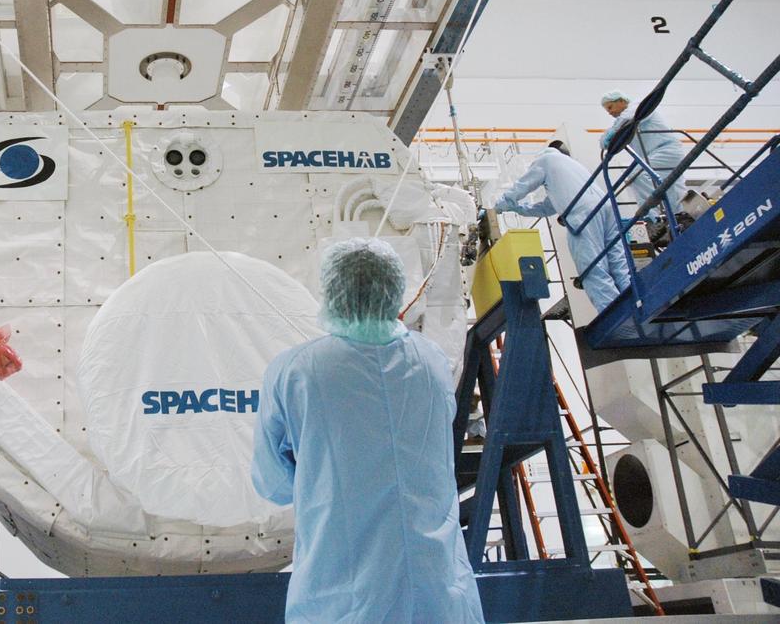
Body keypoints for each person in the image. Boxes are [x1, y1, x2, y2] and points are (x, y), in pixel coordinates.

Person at [252, 239, 483, 624]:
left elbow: (272, 482)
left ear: (331, 293)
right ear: (394, 291)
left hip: (345, 600)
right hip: (439, 594)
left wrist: (319, 474)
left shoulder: (297, 370)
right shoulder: (432, 362)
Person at [494, 143, 632, 311]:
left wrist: (501, 204)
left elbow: (522, 186)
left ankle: (615, 314)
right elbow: (547, 207)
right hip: (607, 207)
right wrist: (518, 208)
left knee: (593, 268)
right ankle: (634, 302)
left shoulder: (545, 160)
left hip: (582, 213)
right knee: (618, 262)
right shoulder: (570, 166)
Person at [599, 90, 688, 218]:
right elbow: (607, 139)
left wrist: (612, 134)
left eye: (610, 107)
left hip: (666, 150)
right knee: (672, 188)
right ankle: (677, 217)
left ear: (621, 101)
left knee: (637, 175)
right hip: (654, 155)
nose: (610, 112)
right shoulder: (621, 122)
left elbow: (626, 119)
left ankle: (654, 217)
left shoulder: (639, 107)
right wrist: (609, 137)